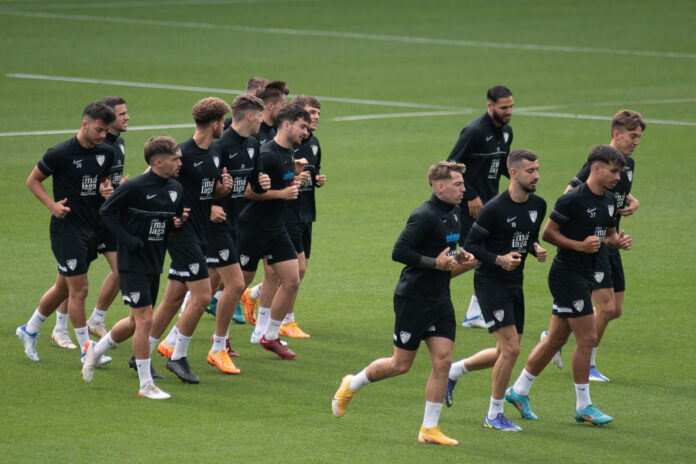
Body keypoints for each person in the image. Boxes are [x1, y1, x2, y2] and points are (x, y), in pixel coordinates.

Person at [332, 161, 474, 446]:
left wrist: (461, 258)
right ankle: (352, 383)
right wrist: (435, 263)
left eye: (463, 183)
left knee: (443, 361)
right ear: (440, 186)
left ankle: (429, 429)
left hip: (440, 297)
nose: (464, 189)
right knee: (400, 365)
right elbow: (399, 251)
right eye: (458, 184)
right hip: (413, 299)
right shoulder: (423, 215)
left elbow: (448, 249)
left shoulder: (455, 213)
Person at [506, 145, 631, 426]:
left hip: (587, 273)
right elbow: (549, 233)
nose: (618, 178)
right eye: (614, 171)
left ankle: (518, 390)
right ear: (596, 168)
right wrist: (579, 245)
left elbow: (608, 236)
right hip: (567, 275)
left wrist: (617, 242)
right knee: (587, 338)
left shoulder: (610, 200)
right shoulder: (572, 200)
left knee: (556, 339)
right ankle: (583, 406)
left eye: (620, 172)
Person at [444, 149, 547, 432]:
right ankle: (493, 415)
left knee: (506, 349)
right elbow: (472, 246)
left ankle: (455, 369)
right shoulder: (494, 208)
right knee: (512, 348)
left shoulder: (538, 204)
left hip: (515, 282)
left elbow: (528, 235)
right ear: (513, 173)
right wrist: (499, 259)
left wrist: (535, 248)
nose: (536, 175)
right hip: (490, 282)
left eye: (537, 169)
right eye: (530, 171)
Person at [543, 110, 645, 381]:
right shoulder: (598, 163)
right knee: (607, 308)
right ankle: (585, 363)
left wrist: (630, 200)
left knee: (616, 309)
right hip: (594, 243)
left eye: (639, 137)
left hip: (611, 240)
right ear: (616, 133)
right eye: (633, 136)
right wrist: (582, 234)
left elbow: (614, 192)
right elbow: (572, 194)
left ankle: (554, 337)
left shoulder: (627, 164)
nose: (636, 141)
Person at [82, 136, 186, 399]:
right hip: (131, 263)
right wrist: (127, 240)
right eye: (175, 158)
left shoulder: (175, 187)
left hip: (154, 261)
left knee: (132, 322)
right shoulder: (136, 186)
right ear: (158, 162)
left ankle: (95, 350)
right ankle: (145, 384)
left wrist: (175, 222)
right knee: (145, 320)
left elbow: (165, 220)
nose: (180, 162)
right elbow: (107, 211)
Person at [17, 102, 115, 364]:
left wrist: (107, 190)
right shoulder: (60, 153)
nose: (102, 136)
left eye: (106, 131)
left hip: (96, 227)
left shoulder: (106, 152)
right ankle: (87, 349)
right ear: (84, 124)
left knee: (63, 287)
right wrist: (51, 205)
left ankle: (29, 329)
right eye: (98, 129)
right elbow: (33, 180)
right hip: (67, 230)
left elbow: (103, 182)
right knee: (79, 289)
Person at [149, 97, 233, 383]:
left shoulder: (216, 149)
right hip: (182, 234)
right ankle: (177, 357)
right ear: (215, 123)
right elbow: (151, 180)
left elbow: (207, 192)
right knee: (202, 295)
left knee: (172, 299)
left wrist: (223, 190)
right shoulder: (182, 154)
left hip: (200, 233)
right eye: (224, 121)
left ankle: (142, 356)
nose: (225, 125)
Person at [242, 95, 326, 339]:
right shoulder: (267, 151)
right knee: (234, 283)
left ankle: (267, 333)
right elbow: (248, 191)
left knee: (292, 276)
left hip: (290, 219)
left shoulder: (300, 149)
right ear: (288, 123)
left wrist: (300, 179)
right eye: (305, 120)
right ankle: (202, 329)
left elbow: (286, 179)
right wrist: (282, 191)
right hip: (260, 224)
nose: (312, 122)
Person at [50, 96, 130, 348]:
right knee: (70, 279)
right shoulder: (90, 146)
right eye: (122, 114)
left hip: (104, 217)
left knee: (120, 270)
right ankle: (59, 328)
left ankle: (96, 319)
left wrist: (114, 190)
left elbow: (101, 183)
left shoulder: (117, 145)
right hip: (81, 220)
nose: (126, 117)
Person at [202, 93, 269, 368]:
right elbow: (200, 184)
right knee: (234, 284)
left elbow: (253, 180)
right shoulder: (220, 145)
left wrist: (262, 182)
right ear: (251, 116)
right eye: (261, 117)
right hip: (214, 226)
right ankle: (216, 346)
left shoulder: (253, 143)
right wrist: (208, 208)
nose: (262, 123)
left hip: (235, 222)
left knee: (208, 287)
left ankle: (175, 341)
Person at [447, 85, 514, 329]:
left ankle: (475, 313)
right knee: (472, 256)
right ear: (490, 106)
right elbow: (452, 164)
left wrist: (518, 176)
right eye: (503, 107)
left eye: (510, 107)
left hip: (490, 204)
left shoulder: (506, 132)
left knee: (488, 254)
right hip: (469, 205)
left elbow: (500, 163)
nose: (508, 112)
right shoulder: (474, 131)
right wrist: (471, 196)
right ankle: (430, 282)